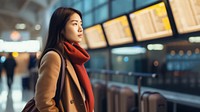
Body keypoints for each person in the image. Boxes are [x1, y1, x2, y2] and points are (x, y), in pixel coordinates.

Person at [35, 7, 94, 112]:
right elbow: (44, 101)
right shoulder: (53, 56)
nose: (80, 29)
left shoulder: (73, 56)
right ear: (61, 29)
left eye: (81, 24)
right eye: (75, 24)